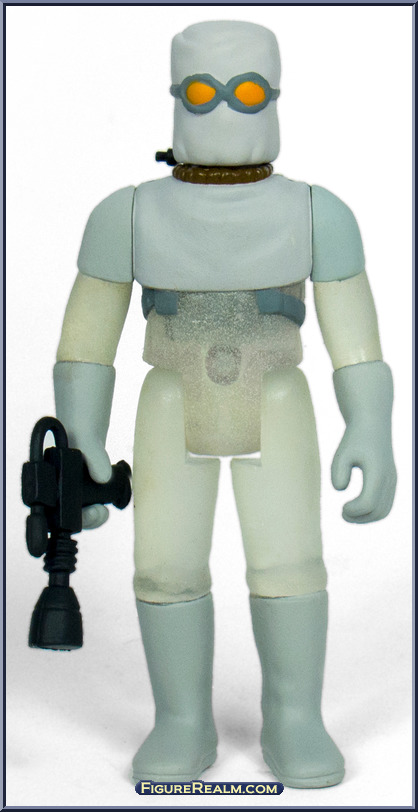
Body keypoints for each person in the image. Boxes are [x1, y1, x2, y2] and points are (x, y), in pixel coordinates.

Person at [53, 21, 396, 788]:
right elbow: (86, 345)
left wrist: (371, 423)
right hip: (172, 396)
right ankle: (181, 718)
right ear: (177, 96)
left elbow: (357, 341)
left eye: (246, 93)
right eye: (204, 93)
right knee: (165, 566)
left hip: (276, 396)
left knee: (290, 561)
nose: (225, 110)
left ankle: (294, 716)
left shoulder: (316, 212)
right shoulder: (127, 213)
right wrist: (80, 441)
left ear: (273, 94)